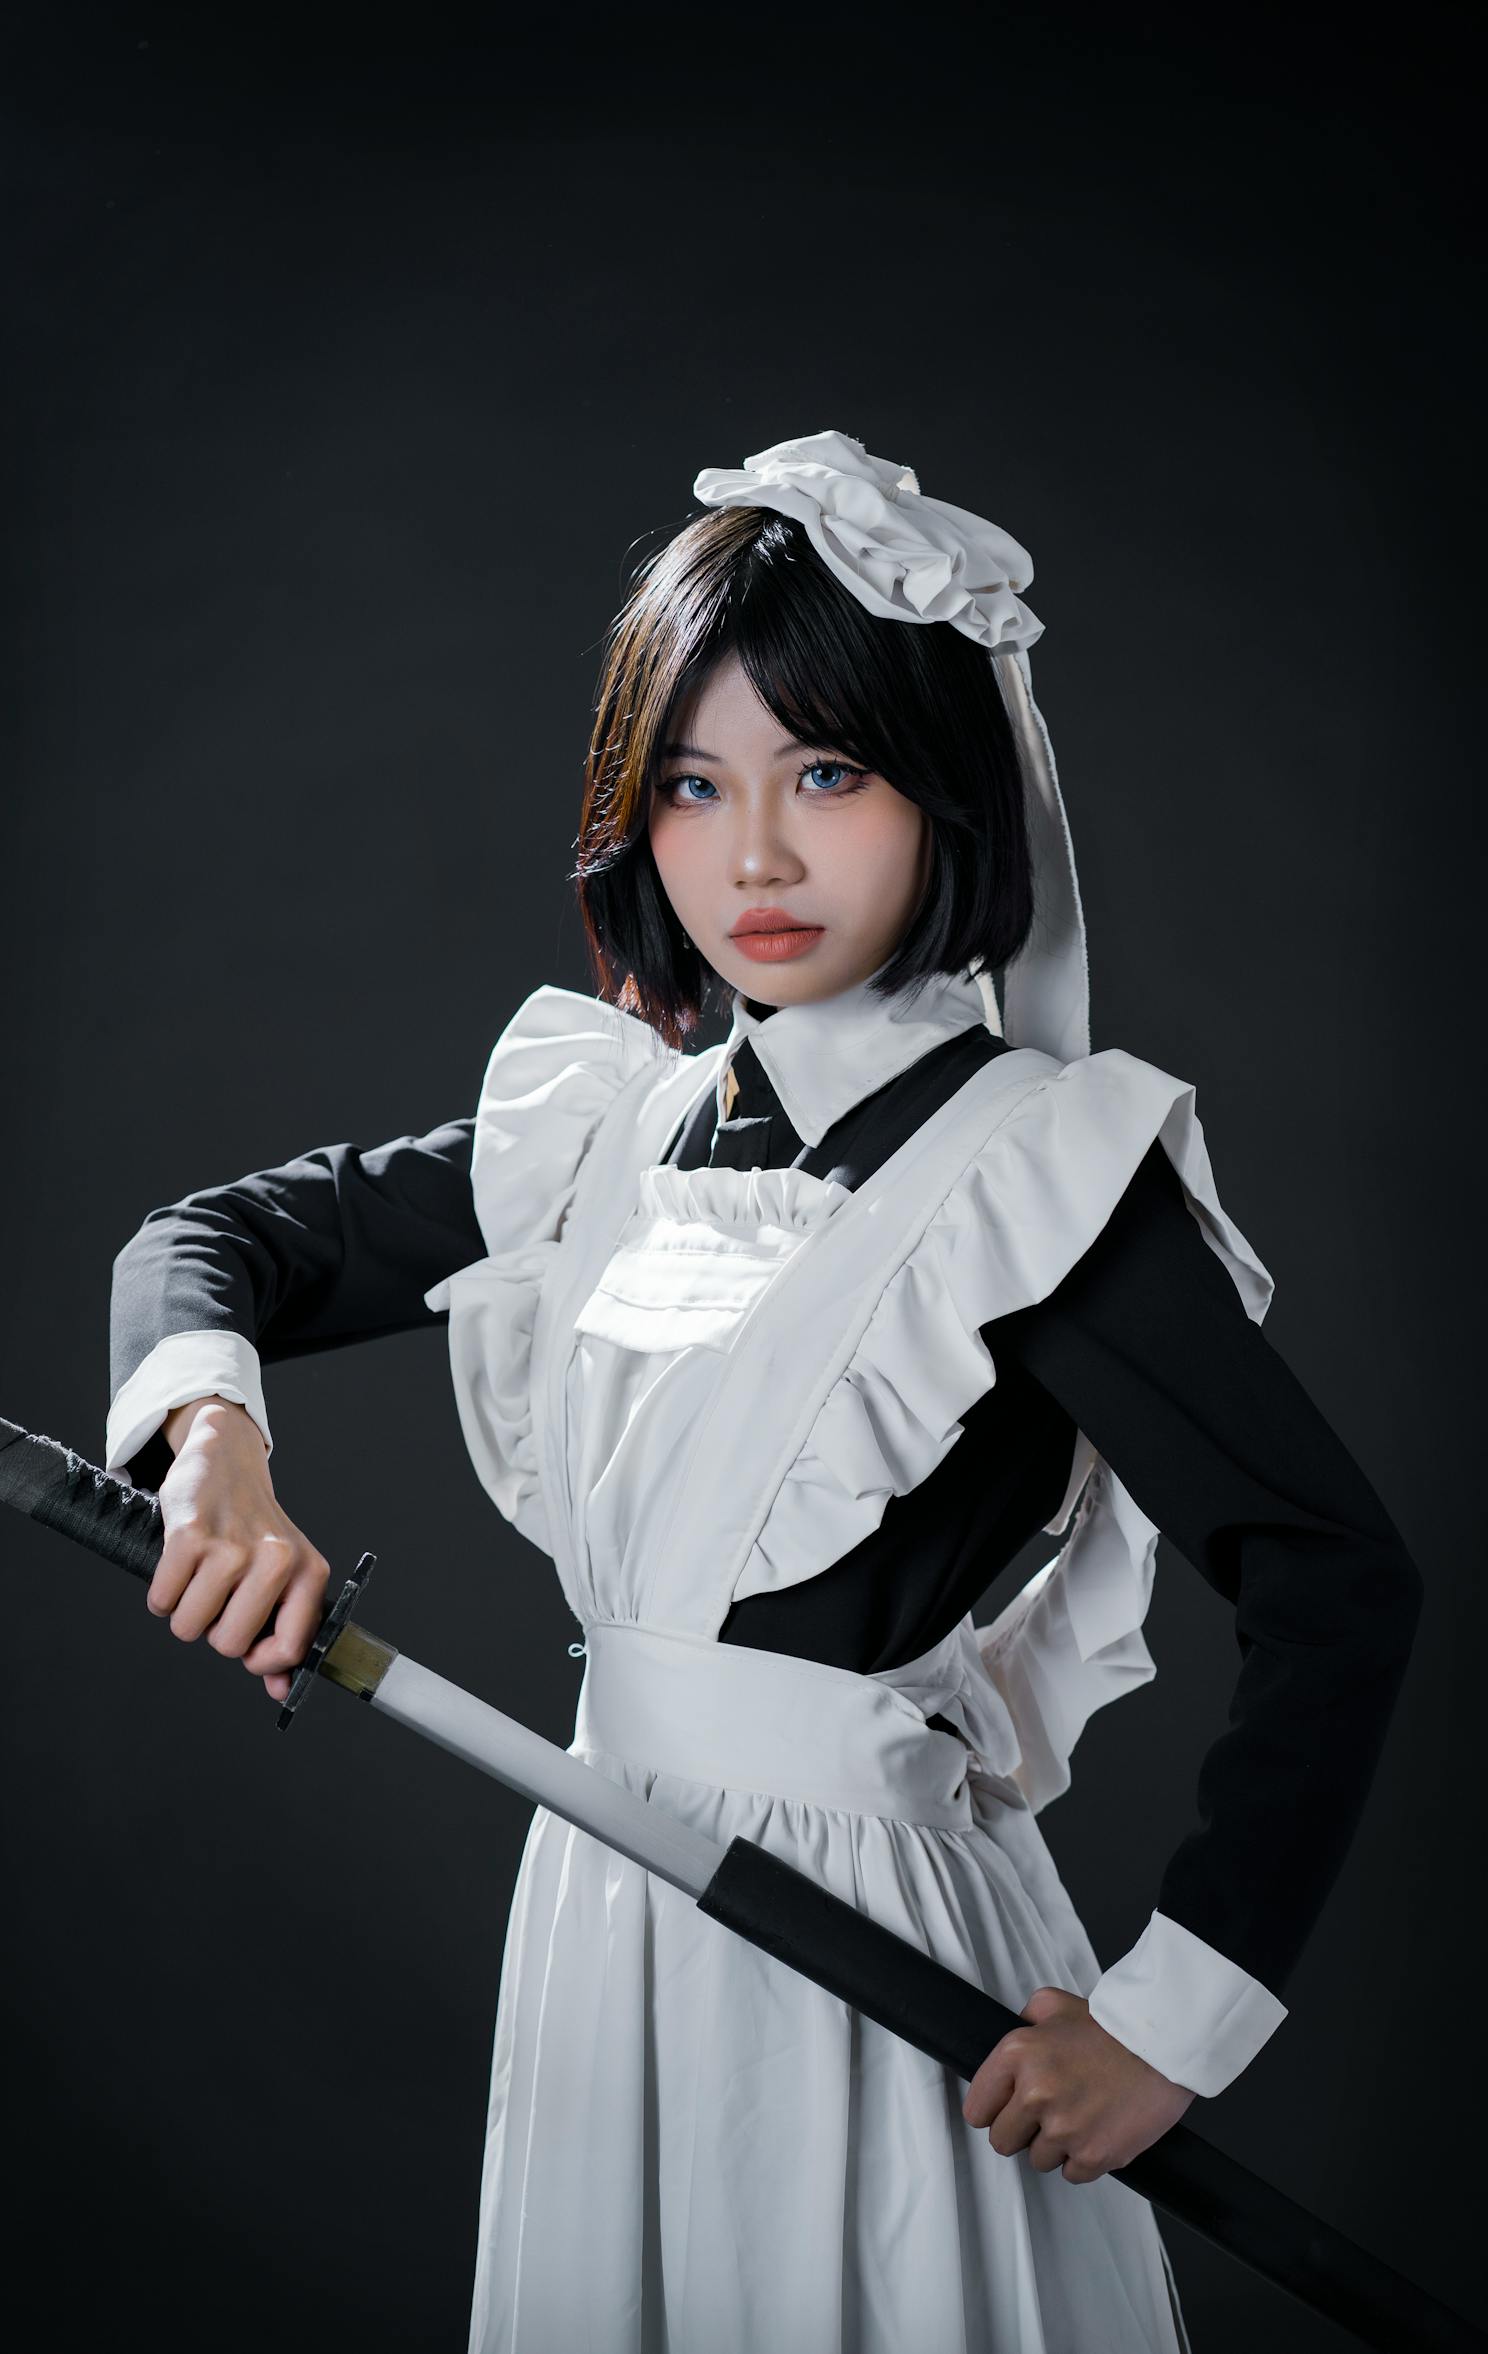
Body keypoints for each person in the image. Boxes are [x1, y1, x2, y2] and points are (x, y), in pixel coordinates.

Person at [104, 432, 1423, 2353]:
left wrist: (1170, 2021)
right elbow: (212, 1241)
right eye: (694, 785)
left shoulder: (1033, 1170)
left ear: (948, 787)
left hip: (879, 1968)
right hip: (608, 1910)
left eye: (829, 773)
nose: (758, 860)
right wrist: (212, 1447)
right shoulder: (615, 1129)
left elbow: (1336, 1576)